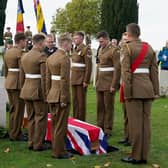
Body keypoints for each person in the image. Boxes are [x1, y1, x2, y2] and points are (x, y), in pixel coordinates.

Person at [120, 23, 159, 164]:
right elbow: (154, 71)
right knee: (145, 124)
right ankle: (144, 156)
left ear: (128, 34)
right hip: (148, 89)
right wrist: (155, 91)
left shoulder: (127, 47)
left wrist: (128, 93)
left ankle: (136, 156)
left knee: (135, 125)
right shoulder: (148, 48)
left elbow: (126, 73)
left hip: (134, 90)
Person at [46, 33, 73, 159]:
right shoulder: (64, 58)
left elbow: (47, 79)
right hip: (60, 95)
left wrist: (48, 94)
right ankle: (59, 152)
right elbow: (64, 80)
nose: (71, 45)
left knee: (54, 124)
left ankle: (55, 149)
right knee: (61, 125)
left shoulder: (50, 57)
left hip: (52, 94)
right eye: (70, 43)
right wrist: (64, 98)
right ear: (65, 44)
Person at [20, 34, 48, 151]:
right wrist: (46, 94)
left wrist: (23, 88)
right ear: (40, 43)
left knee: (30, 117)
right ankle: (38, 144)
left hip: (26, 88)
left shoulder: (25, 56)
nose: (46, 45)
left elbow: (22, 76)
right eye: (45, 43)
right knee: (40, 117)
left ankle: (31, 142)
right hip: (37, 91)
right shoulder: (41, 56)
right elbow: (44, 77)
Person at [96, 31, 120, 137]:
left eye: (102, 41)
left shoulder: (114, 50)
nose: (100, 43)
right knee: (100, 106)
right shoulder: (101, 49)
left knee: (108, 106)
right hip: (100, 82)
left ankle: (108, 129)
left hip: (109, 82)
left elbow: (117, 69)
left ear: (107, 39)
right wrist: (96, 81)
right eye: (99, 41)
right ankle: (100, 126)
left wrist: (114, 85)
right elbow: (99, 67)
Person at [4, 32, 26, 141]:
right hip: (17, 83)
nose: (26, 43)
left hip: (9, 82)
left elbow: (5, 70)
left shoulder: (8, 52)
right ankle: (16, 134)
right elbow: (22, 71)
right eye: (25, 41)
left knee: (13, 108)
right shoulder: (20, 53)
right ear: (21, 41)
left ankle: (12, 130)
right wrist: (23, 85)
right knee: (18, 109)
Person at [71, 31, 92, 121]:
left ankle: (81, 120)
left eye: (77, 38)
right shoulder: (74, 49)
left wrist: (86, 80)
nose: (75, 40)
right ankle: (76, 119)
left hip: (81, 79)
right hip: (74, 78)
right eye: (74, 38)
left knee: (81, 102)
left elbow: (89, 66)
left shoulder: (86, 49)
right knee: (75, 101)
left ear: (82, 39)